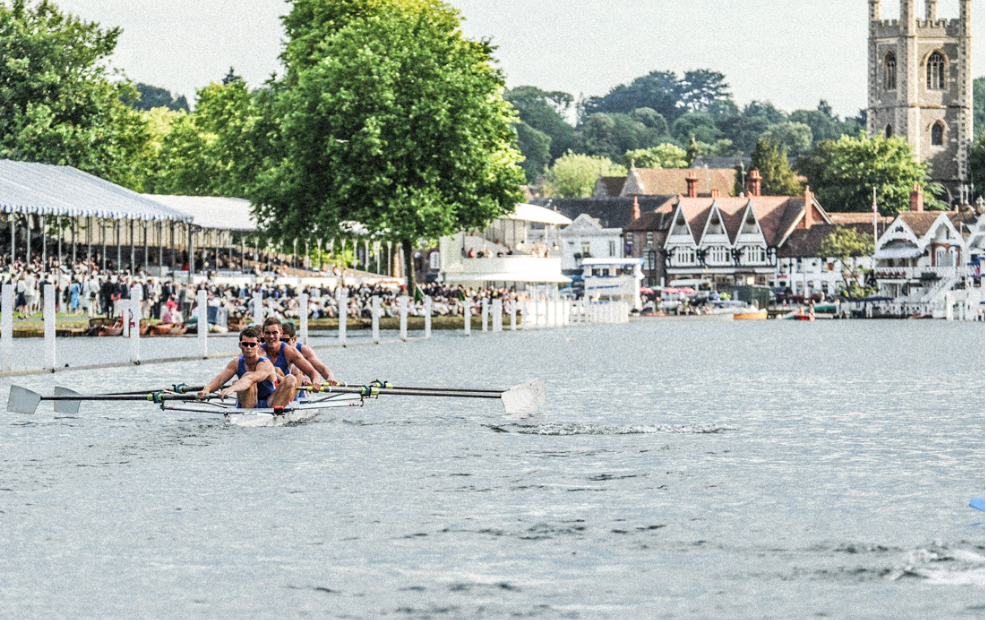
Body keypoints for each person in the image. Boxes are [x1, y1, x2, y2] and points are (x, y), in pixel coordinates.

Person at [196, 325, 297, 409]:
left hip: (270, 403)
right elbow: (220, 379)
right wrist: (207, 389)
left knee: (291, 379)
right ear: (240, 345)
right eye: (245, 344)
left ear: (258, 346)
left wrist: (233, 388)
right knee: (246, 377)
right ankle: (247, 415)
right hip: (248, 403)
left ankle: (276, 412)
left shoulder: (265, 364)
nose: (249, 347)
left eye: (252, 344)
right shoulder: (235, 363)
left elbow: (250, 379)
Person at [259, 317, 324, 387]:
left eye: (274, 333)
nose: (271, 336)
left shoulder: (289, 351)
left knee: (296, 370)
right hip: (269, 393)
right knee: (277, 370)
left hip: (286, 392)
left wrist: (315, 382)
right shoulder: (259, 352)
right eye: (268, 333)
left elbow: (314, 373)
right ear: (263, 334)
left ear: (281, 333)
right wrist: (285, 380)